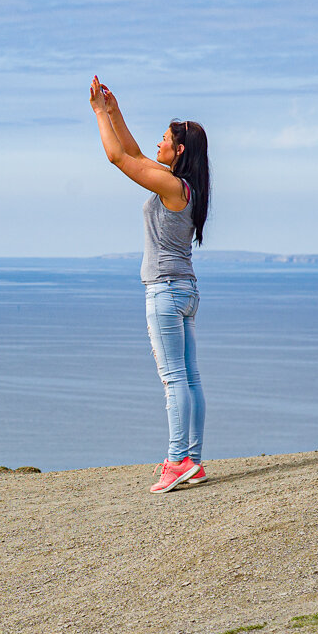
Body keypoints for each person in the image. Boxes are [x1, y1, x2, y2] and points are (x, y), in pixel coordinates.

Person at [89, 76, 212, 494]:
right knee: (190, 378)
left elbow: (117, 158)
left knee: (174, 380)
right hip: (186, 291)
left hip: (164, 291)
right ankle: (191, 459)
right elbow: (136, 153)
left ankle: (177, 460)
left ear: (178, 150)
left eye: (164, 138)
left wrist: (98, 115)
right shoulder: (184, 186)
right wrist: (114, 110)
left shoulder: (171, 186)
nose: (157, 143)